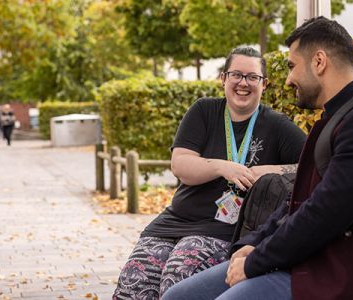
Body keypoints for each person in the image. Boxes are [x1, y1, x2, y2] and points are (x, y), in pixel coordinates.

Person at [162, 17, 353, 300]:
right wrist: (253, 244)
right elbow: (298, 202)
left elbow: (324, 215)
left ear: (319, 62)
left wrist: (255, 262)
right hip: (303, 260)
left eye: (291, 66)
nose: (288, 79)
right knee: (177, 296)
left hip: (335, 274)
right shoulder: (336, 119)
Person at [113, 46, 307, 300]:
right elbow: (180, 165)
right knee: (133, 282)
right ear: (224, 78)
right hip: (174, 222)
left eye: (253, 77)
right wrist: (222, 166)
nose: (243, 83)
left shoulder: (277, 125)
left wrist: (268, 171)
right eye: (236, 74)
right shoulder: (204, 111)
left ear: (265, 84)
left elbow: (313, 165)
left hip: (222, 230)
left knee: (178, 276)